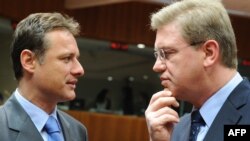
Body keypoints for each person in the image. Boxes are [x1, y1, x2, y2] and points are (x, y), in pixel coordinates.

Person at [145, 0, 250, 141]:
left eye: (167, 53)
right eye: (157, 55)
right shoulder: (178, 127)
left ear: (209, 53)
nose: (157, 66)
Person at [0, 12, 88, 141]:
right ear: (29, 61)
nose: (79, 70)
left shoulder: (78, 131)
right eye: (67, 58)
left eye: (77, 59)